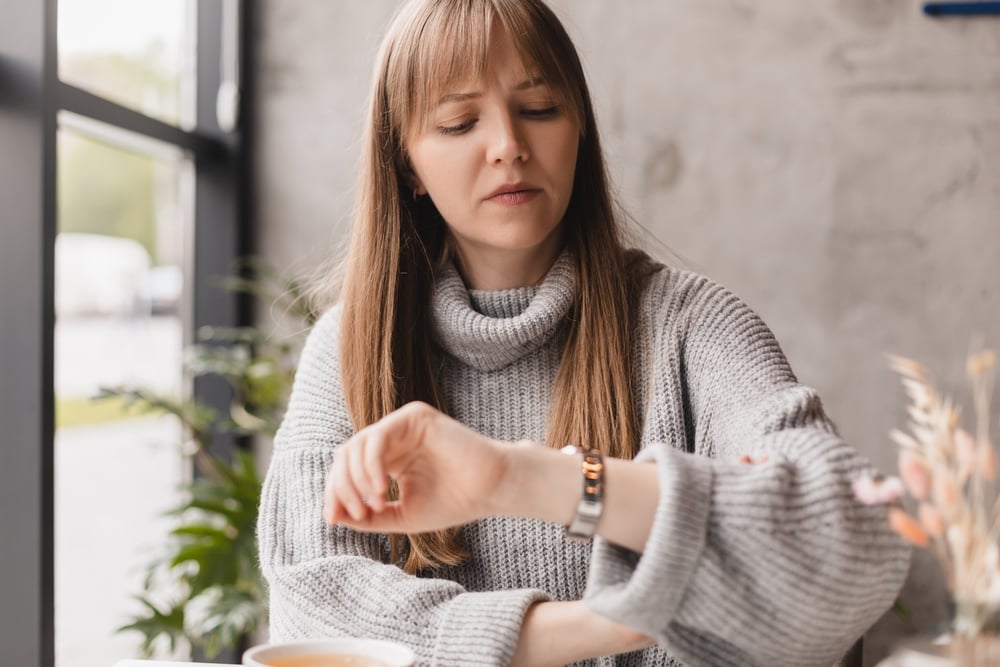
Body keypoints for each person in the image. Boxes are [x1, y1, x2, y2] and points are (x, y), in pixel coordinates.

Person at [257, 0, 911, 665]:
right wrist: (612, 622)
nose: (509, 145)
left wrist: (520, 478)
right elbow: (313, 609)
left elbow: (850, 535)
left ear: (580, 132)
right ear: (406, 167)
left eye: (539, 109)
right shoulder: (352, 348)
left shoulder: (693, 327)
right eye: (459, 122)